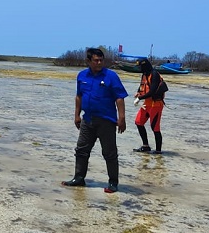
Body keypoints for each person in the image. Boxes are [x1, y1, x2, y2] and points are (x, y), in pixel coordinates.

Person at [62, 48, 127, 193]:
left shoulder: (111, 76)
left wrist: (121, 118)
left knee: (109, 153)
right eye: (96, 60)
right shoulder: (82, 76)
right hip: (88, 119)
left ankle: (113, 183)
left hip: (106, 120)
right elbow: (79, 96)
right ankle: (79, 178)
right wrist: (77, 115)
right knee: (81, 150)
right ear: (88, 61)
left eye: (101, 60)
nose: (99, 63)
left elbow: (119, 97)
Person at [133, 58, 168, 154]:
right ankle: (146, 146)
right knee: (138, 122)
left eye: (140, 66)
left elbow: (152, 92)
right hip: (146, 104)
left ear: (144, 65)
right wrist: (138, 93)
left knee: (155, 128)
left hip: (155, 105)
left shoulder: (155, 74)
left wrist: (139, 98)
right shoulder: (144, 74)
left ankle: (158, 152)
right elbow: (142, 86)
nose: (139, 68)